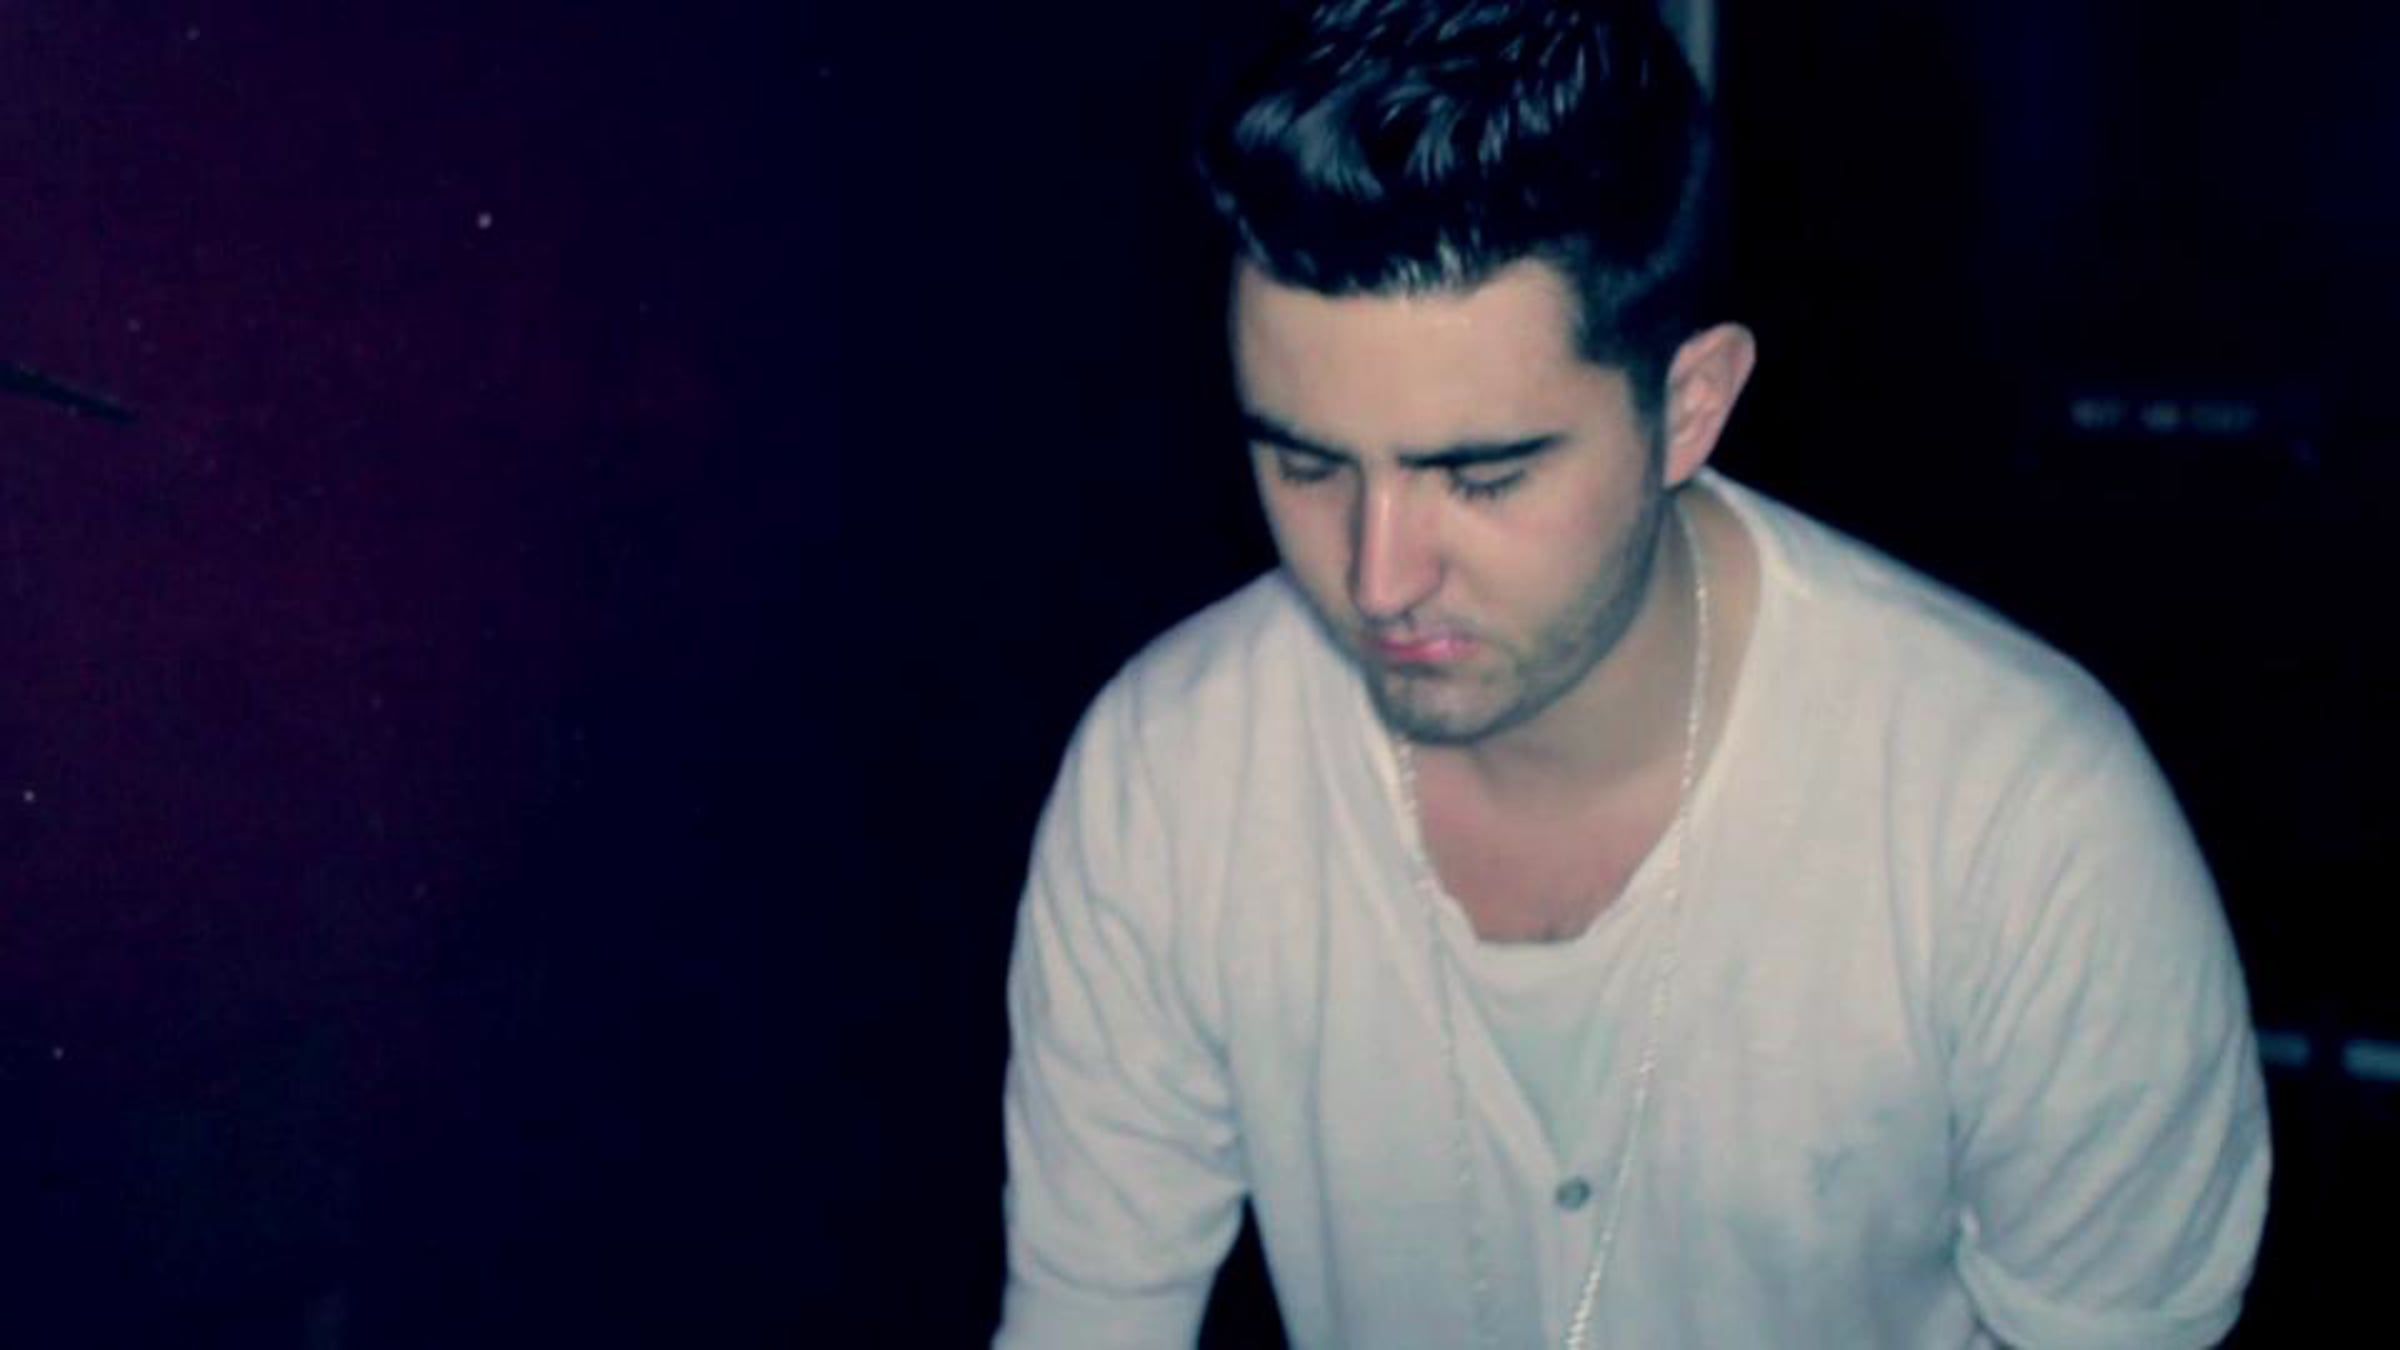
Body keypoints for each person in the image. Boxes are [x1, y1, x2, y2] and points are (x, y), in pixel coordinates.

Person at [994, 1, 2270, 1345]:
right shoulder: (1169, 776)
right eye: (1307, 463)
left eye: (1482, 476)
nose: (1377, 576)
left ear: (1692, 405)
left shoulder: (2022, 825)